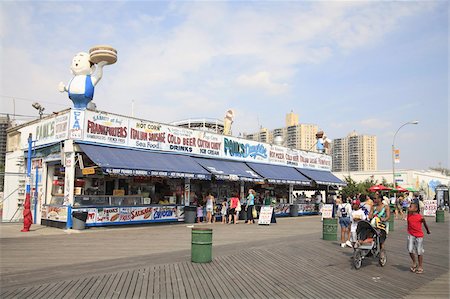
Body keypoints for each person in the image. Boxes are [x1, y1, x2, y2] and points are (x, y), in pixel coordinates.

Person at [407, 199, 430, 274]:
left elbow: (425, 224)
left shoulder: (420, 217)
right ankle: (414, 262)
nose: (409, 207)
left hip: (419, 236)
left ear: (416, 208)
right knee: (410, 250)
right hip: (411, 234)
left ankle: (420, 266)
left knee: (419, 251)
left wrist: (427, 230)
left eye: (411, 206)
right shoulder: (409, 214)